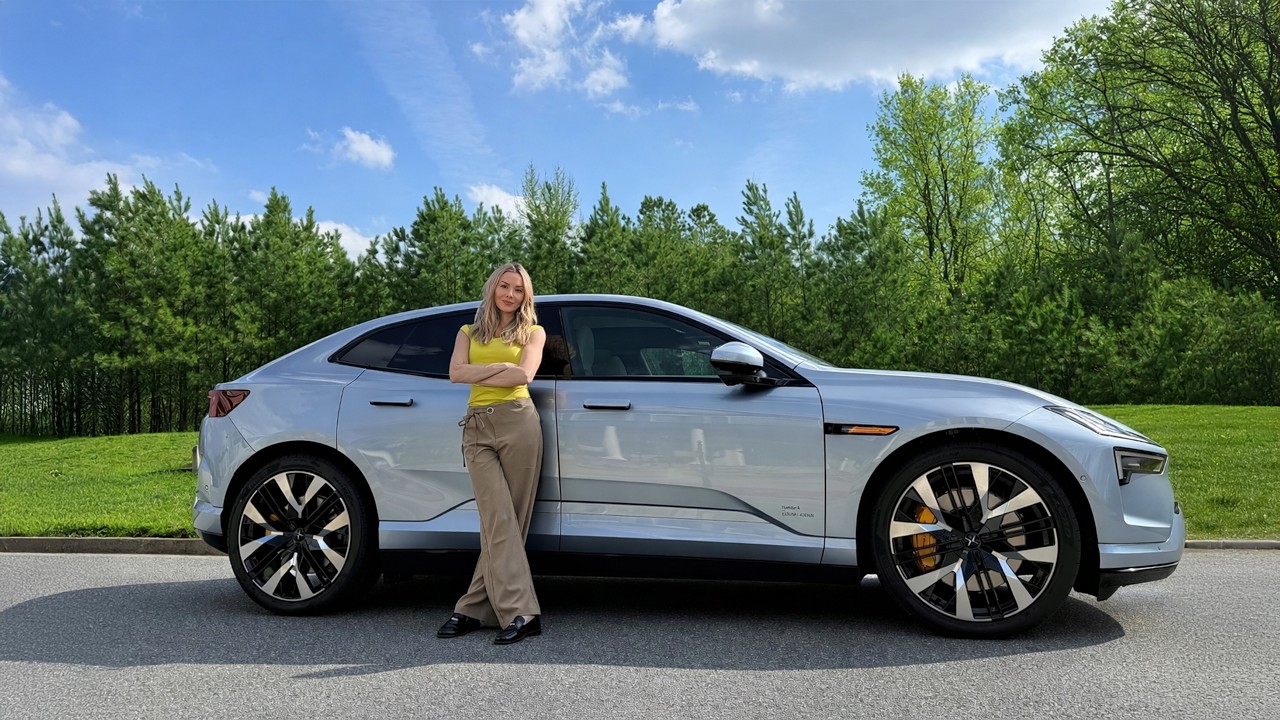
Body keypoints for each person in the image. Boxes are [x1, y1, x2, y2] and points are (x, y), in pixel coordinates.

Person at [436, 262, 546, 645]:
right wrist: (500, 364)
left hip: (519, 423)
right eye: (505, 286)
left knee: (507, 522)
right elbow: (455, 374)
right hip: (477, 427)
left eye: (519, 289)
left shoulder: (533, 332)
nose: (511, 295)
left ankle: (473, 608)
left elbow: (522, 376)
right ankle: (523, 612)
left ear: (525, 296)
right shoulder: (467, 331)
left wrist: (481, 369)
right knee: (497, 518)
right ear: (493, 288)